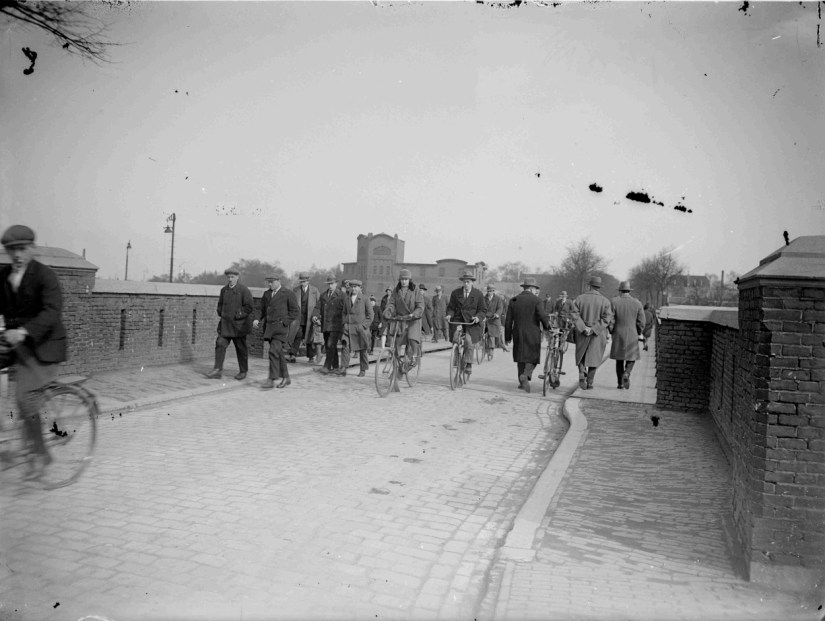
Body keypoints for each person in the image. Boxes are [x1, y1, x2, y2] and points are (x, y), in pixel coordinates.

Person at [0, 225, 67, 478]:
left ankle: (41, 455)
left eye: (22, 249)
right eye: (12, 250)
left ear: (32, 248)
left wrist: (23, 332)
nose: (17, 255)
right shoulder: (4, 276)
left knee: (25, 398)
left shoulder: (44, 276)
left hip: (44, 347)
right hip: (16, 344)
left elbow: (52, 312)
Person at [504, 277, 551, 393]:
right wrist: (547, 327)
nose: (536, 291)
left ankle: (521, 383)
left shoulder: (513, 300)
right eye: (535, 289)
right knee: (533, 357)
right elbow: (542, 316)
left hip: (517, 332)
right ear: (531, 289)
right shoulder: (537, 300)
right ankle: (525, 375)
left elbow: (508, 320)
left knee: (520, 356)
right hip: (533, 333)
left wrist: (507, 336)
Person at [207, 268, 254, 380]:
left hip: (239, 326)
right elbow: (220, 304)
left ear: (237, 277)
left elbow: (249, 307)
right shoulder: (224, 290)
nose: (230, 279)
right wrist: (221, 312)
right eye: (228, 277)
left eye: (232, 277)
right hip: (225, 326)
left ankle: (243, 371)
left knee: (241, 349)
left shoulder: (244, 290)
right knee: (220, 344)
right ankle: (217, 369)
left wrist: (238, 315)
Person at [254, 275, 299, 389]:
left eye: (272, 282)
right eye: (268, 282)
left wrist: (284, 322)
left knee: (273, 351)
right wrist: (257, 319)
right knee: (278, 353)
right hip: (269, 329)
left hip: (280, 329)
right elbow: (261, 310)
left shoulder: (288, 293)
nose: (269, 284)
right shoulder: (266, 294)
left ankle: (271, 379)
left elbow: (295, 311)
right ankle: (286, 377)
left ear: (279, 281)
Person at [571, 276, 613, 390]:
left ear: (589, 285)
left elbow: (574, 315)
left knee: (581, 354)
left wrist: (583, 327)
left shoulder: (580, 298)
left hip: (582, 333)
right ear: (599, 287)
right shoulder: (605, 301)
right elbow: (606, 319)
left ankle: (581, 371)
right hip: (598, 334)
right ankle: (589, 383)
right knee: (595, 358)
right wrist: (594, 329)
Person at [446, 271, 487, 380]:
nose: (466, 284)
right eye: (464, 282)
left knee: (469, 341)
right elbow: (451, 307)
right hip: (458, 320)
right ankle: (456, 358)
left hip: (471, 322)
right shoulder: (456, 293)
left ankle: (468, 363)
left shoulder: (478, 294)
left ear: (472, 282)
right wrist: (449, 315)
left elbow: (483, 310)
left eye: (468, 282)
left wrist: (478, 317)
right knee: (455, 337)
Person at [382, 269, 425, 373]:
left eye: (406, 279)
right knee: (396, 341)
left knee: (412, 337)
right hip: (401, 319)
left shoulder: (415, 290)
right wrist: (388, 311)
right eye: (402, 279)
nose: (404, 281)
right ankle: (396, 363)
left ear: (409, 280)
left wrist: (414, 314)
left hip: (413, 319)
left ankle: (414, 356)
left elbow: (420, 306)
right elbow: (391, 303)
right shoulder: (396, 291)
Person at [609, 281, 646, 389]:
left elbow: (611, 319)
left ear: (620, 291)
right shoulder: (637, 303)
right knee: (631, 358)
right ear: (629, 291)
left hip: (618, 334)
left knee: (619, 360)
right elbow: (642, 321)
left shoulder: (614, 302)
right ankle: (627, 373)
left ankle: (620, 383)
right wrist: (638, 331)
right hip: (632, 334)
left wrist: (611, 330)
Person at [335, 279, 373, 377]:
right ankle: (343, 368)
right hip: (348, 328)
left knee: (363, 349)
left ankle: (363, 369)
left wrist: (363, 326)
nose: (353, 289)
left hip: (361, 329)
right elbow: (344, 312)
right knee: (345, 346)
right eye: (352, 287)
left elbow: (370, 315)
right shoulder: (347, 299)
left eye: (355, 287)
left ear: (360, 288)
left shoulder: (365, 299)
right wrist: (344, 323)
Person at [313, 275, 345, 375]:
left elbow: (345, 310)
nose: (330, 286)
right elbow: (317, 307)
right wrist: (315, 315)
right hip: (326, 325)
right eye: (329, 284)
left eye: (332, 284)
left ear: (336, 283)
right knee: (330, 346)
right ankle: (335, 367)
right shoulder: (323, 295)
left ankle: (326, 366)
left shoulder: (342, 295)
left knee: (330, 345)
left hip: (336, 325)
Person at [288, 273, 320, 364]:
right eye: (301, 281)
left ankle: (311, 356)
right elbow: (291, 303)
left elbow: (318, 305)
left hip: (310, 318)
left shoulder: (314, 290)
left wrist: (317, 316)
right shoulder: (295, 290)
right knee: (297, 334)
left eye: (304, 281)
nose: (303, 283)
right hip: (298, 318)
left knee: (310, 336)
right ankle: (292, 355)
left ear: (308, 281)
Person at [483, 283, 507, 352]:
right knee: (481, 331)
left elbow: (500, 308)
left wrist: (497, 314)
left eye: (491, 291)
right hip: (486, 318)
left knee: (493, 334)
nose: (489, 292)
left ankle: (492, 348)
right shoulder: (483, 299)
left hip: (494, 319)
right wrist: (482, 315)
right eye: (488, 291)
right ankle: (482, 344)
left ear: (494, 291)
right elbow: (481, 307)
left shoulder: (498, 299)